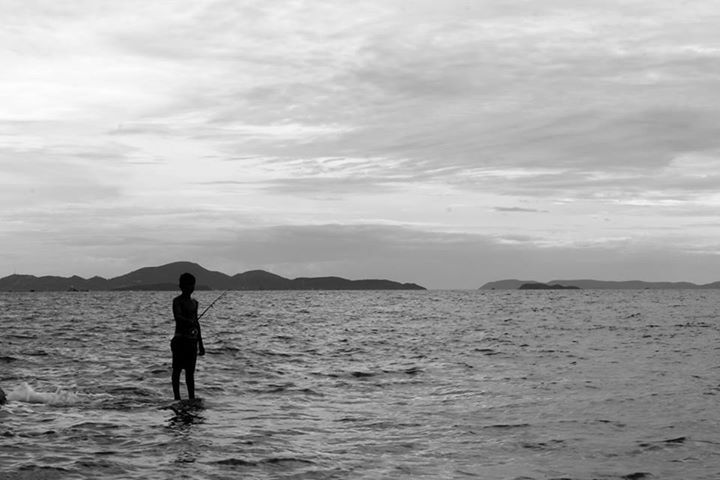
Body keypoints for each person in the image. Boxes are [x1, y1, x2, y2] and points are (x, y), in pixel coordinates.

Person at [171, 273, 205, 401]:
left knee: (190, 373)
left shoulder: (195, 303)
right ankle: (177, 398)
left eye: (192, 284)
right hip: (179, 341)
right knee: (177, 371)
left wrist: (200, 344)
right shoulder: (177, 301)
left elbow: (197, 323)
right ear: (181, 286)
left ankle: (191, 398)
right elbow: (177, 317)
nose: (190, 287)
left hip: (192, 342)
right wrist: (189, 322)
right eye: (187, 285)